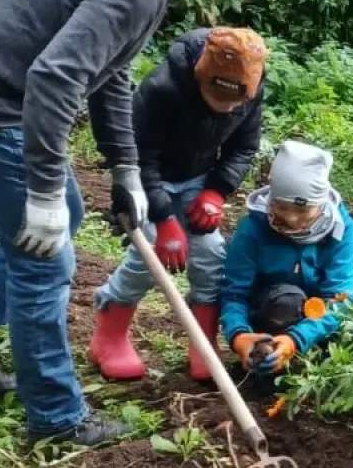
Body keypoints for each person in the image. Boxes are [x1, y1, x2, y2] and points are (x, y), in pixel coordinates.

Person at [0, 0, 293, 446]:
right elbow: (55, 78)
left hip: (0, 95)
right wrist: (46, 190)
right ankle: (54, 419)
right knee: (44, 259)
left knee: (62, 225)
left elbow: (110, 73)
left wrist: (124, 170)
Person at [89, 27, 269, 383]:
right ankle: (107, 338)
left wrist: (216, 191)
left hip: (197, 178)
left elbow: (243, 149)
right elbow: (139, 157)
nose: (227, 110)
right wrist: (165, 219)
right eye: (217, 100)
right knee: (149, 255)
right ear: (200, 76)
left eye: (235, 105)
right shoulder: (162, 90)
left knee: (211, 254)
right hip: (143, 179)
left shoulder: (251, 92)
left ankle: (203, 345)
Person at [221, 141, 353, 380]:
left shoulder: (341, 228)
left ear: (321, 203)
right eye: (282, 207)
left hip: (317, 317)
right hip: (267, 313)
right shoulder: (253, 229)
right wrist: (239, 336)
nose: (292, 219)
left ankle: (310, 359)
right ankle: (267, 366)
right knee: (287, 300)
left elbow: (340, 298)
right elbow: (233, 294)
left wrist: (296, 339)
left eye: (302, 211)